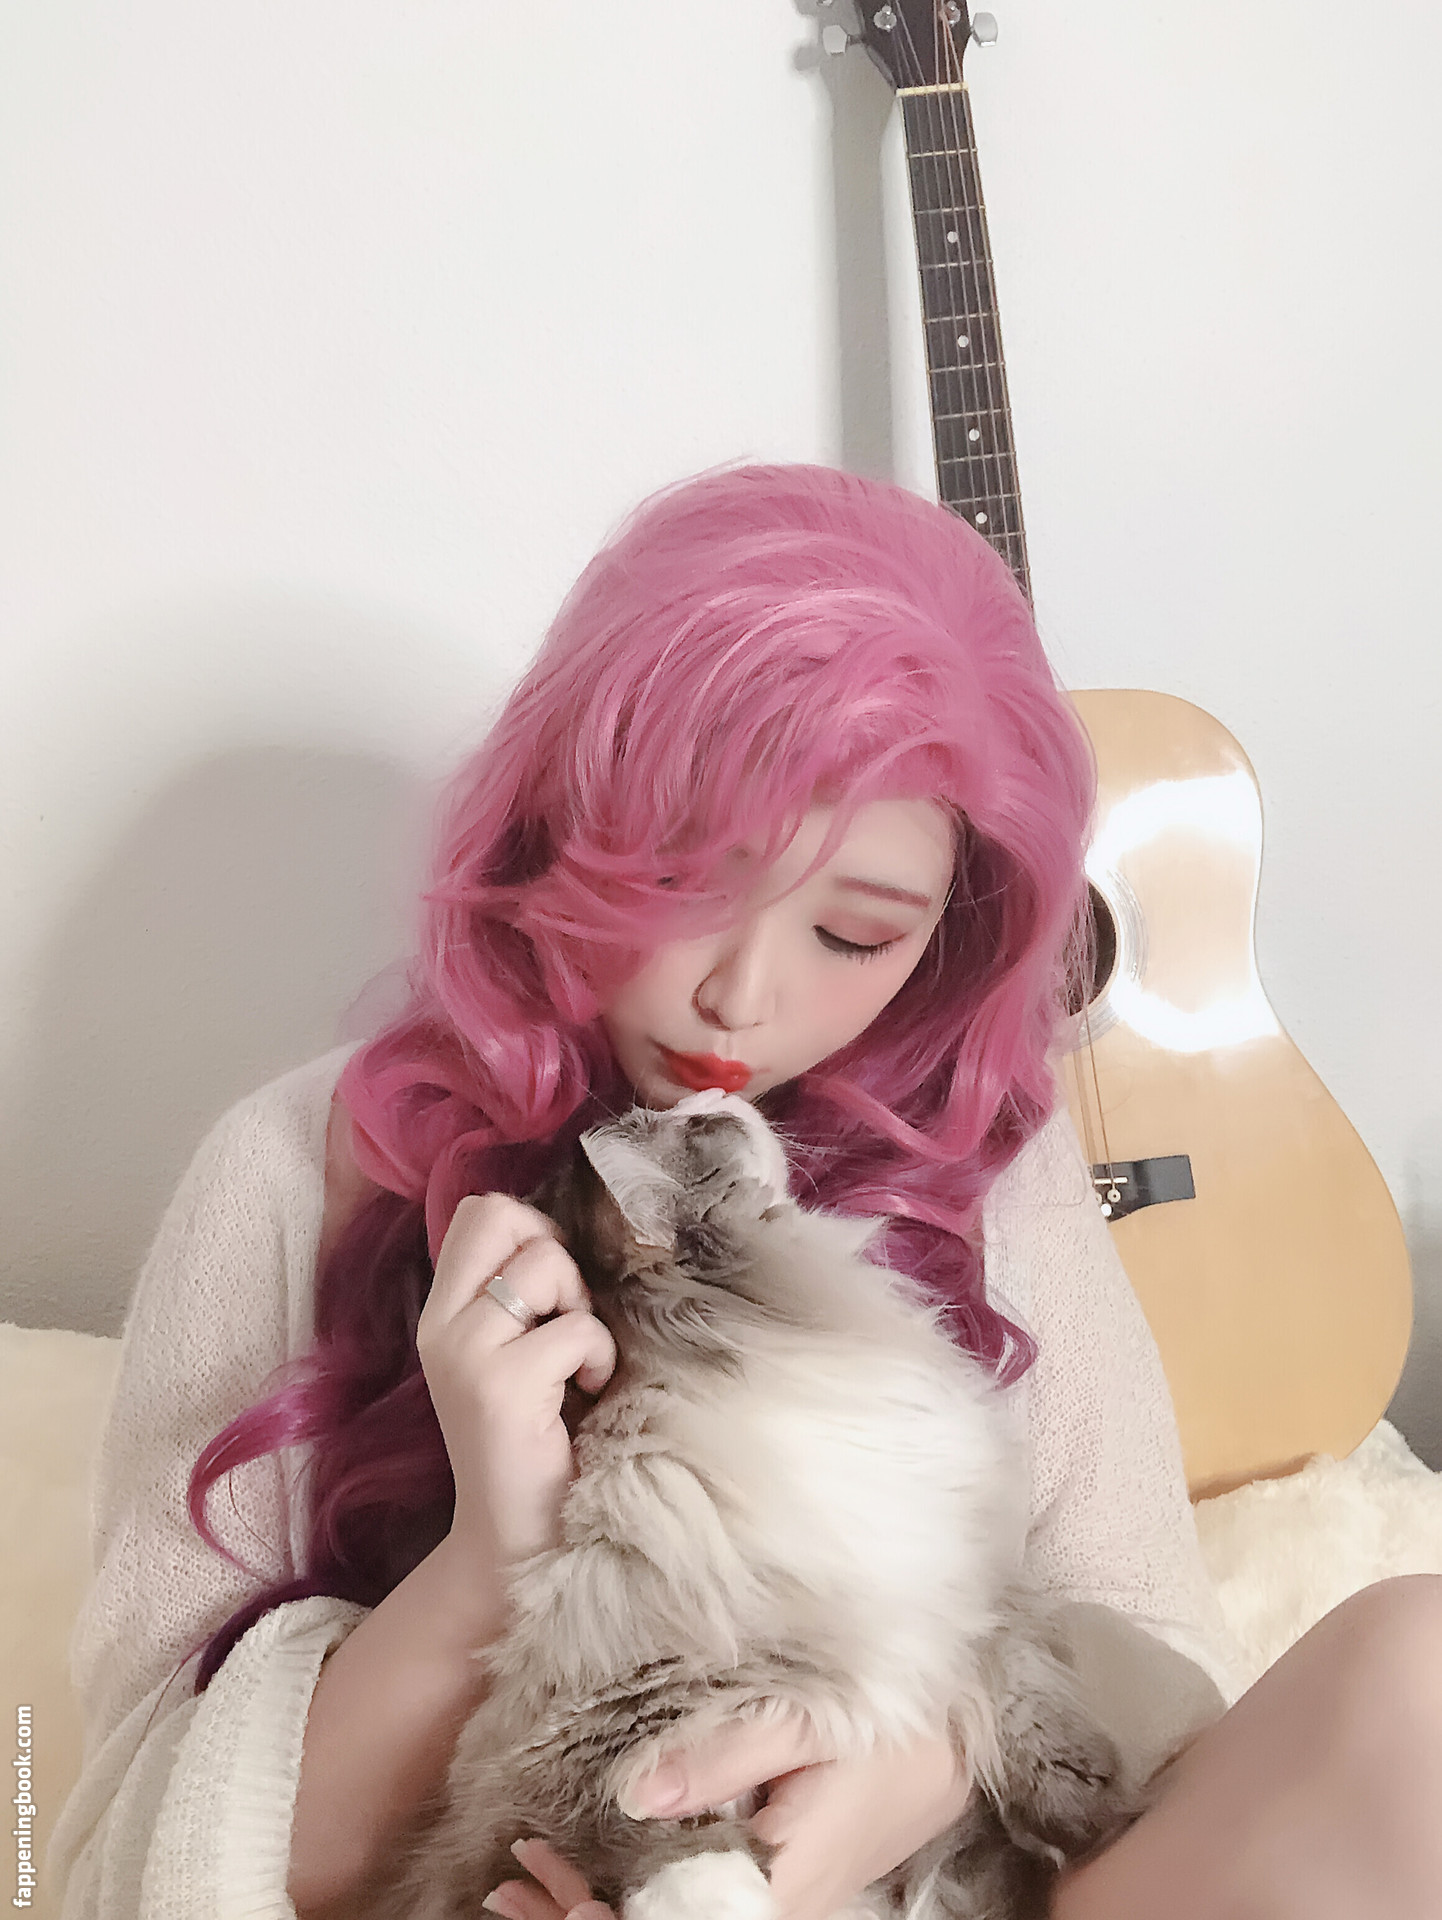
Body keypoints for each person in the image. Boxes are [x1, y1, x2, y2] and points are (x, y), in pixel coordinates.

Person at [49, 464, 1442, 1920]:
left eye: (854, 934)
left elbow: (1162, 1655)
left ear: (950, 930)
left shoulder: (988, 1166)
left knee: (1414, 1669)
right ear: (557, 817)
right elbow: (124, 1859)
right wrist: (493, 1554)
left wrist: (938, 1747)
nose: (740, 994)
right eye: (687, 885)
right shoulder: (300, 1164)